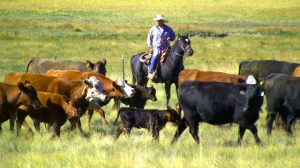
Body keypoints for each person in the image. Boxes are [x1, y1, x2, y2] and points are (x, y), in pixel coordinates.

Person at [147, 14, 176, 80]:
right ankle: (151, 71)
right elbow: (149, 38)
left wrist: (171, 38)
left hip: (166, 47)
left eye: (159, 20)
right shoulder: (153, 29)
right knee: (157, 54)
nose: (158, 21)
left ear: (163, 21)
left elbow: (173, 36)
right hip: (157, 46)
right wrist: (150, 47)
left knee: (175, 56)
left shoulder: (169, 29)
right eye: (157, 20)